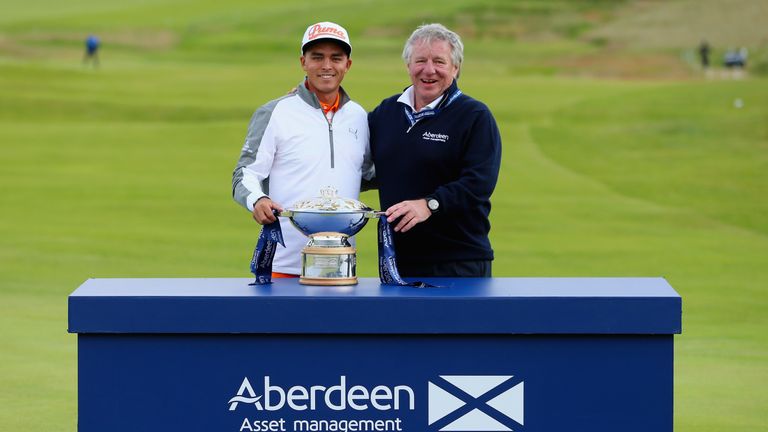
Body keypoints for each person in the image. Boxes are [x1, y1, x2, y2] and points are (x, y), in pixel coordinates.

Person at [232, 22, 373, 278]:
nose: (326, 65)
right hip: (283, 265)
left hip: (341, 264)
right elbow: (244, 174)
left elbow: (366, 174)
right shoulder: (276, 112)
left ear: (347, 65)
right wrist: (258, 200)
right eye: (317, 57)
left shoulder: (359, 116)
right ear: (303, 62)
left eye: (336, 58)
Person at [368, 23, 502, 278]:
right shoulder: (386, 113)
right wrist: (309, 101)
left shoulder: (474, 116)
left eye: (439, 61)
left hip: (459, 261)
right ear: (408, 66)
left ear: (456, 67)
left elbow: (479, 183)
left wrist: (430, 205)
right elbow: (348, 148)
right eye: (420, 61)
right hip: (396, 259)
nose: (429, 70)